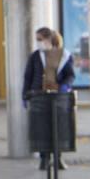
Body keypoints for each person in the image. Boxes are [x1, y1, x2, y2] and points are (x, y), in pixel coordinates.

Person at [22, 26, 75, 170]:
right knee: (42, 129)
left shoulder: (64, 56)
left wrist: (64, 86)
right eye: (37, 39)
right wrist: (25, 95)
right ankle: (44, 159)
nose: (38, 42)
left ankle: (58, 158)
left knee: (58, 128)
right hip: (39, 97)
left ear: (48, 39)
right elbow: (28, 76)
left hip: (58, 97)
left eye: (40, 39)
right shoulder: (35, 56)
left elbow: (70, 75)